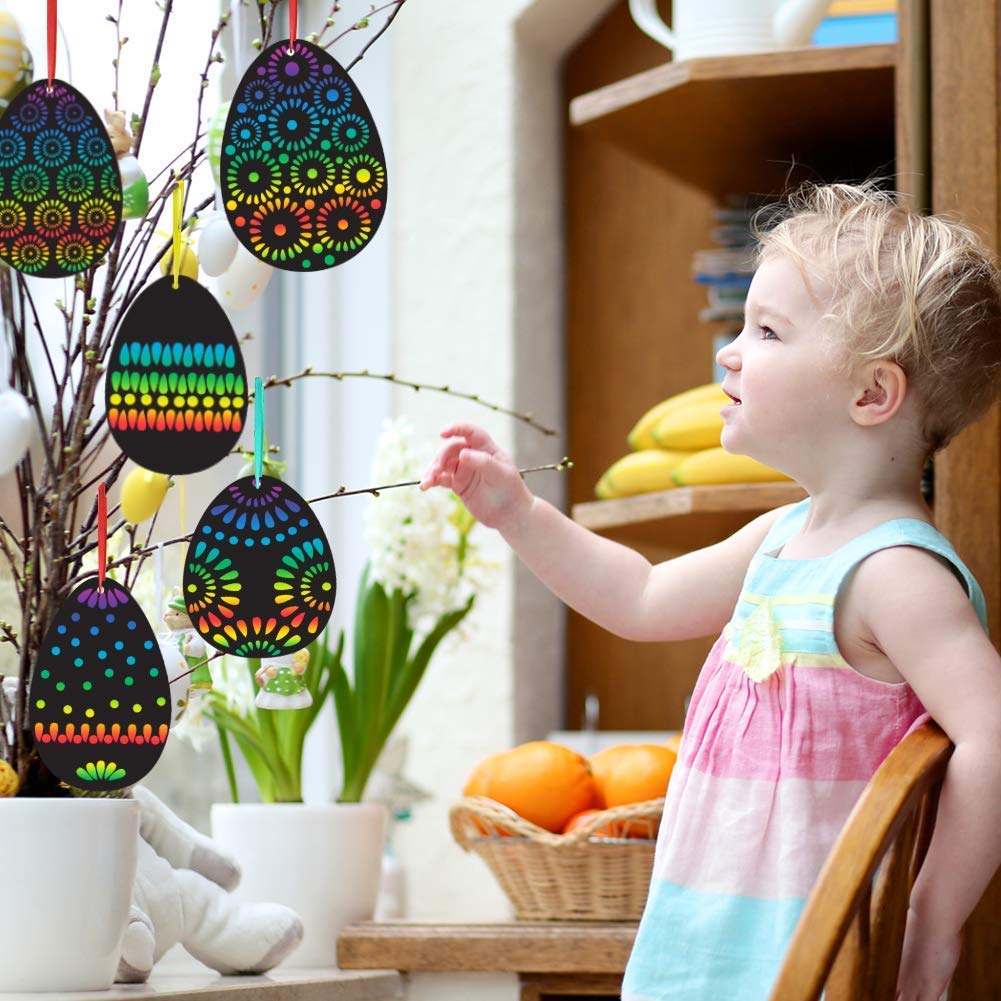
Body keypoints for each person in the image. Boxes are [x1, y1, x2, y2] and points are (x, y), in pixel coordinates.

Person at [419, 181, 1001, 1001]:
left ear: (871, 394)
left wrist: (931, 922)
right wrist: (517, 512)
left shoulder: (892, 571)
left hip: (807, 963)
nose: (727, 352)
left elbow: (992, 734)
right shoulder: (780, 538)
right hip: (707, 952)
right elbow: (642, 595)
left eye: (766, 330)